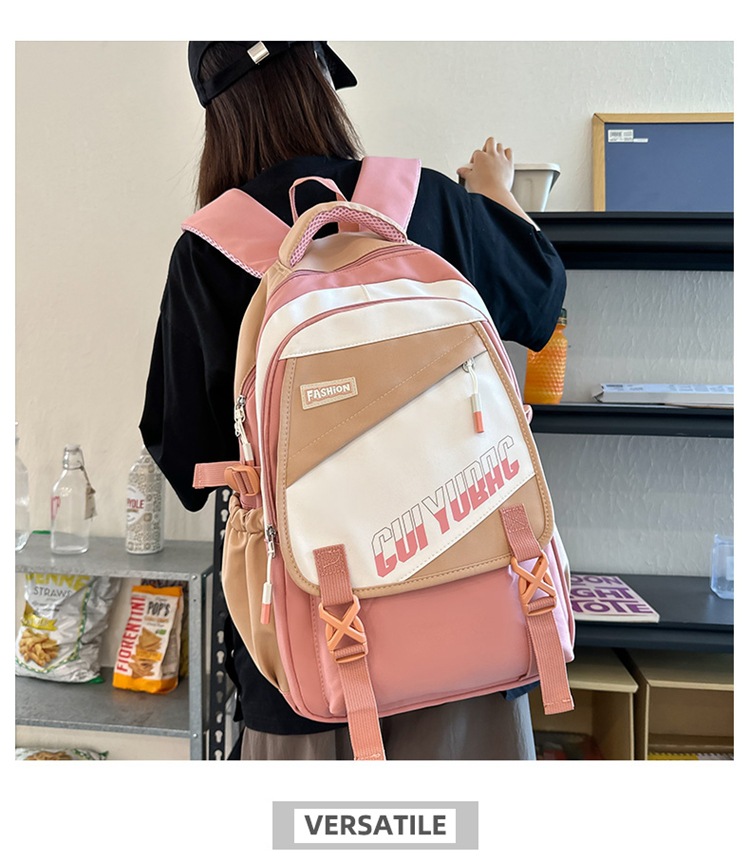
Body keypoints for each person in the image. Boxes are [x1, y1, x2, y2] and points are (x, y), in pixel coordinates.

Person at [140, 41, 567, 760]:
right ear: (320, 82)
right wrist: (496, 190)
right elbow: (541, 297)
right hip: (477, 634)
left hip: (310, 650)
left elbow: (186, 457)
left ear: (218, 119)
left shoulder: (208, 252)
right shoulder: (429, 199)